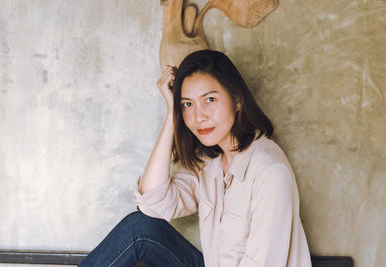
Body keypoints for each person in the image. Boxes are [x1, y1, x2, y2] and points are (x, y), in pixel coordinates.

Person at [79, 50, 312, 267]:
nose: (198, 116)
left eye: (210, 99)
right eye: (188, 104)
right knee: (138, 227)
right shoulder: (210, 164)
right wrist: (172, 114)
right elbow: (152, 204)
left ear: (237, 100)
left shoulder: (270, 172)